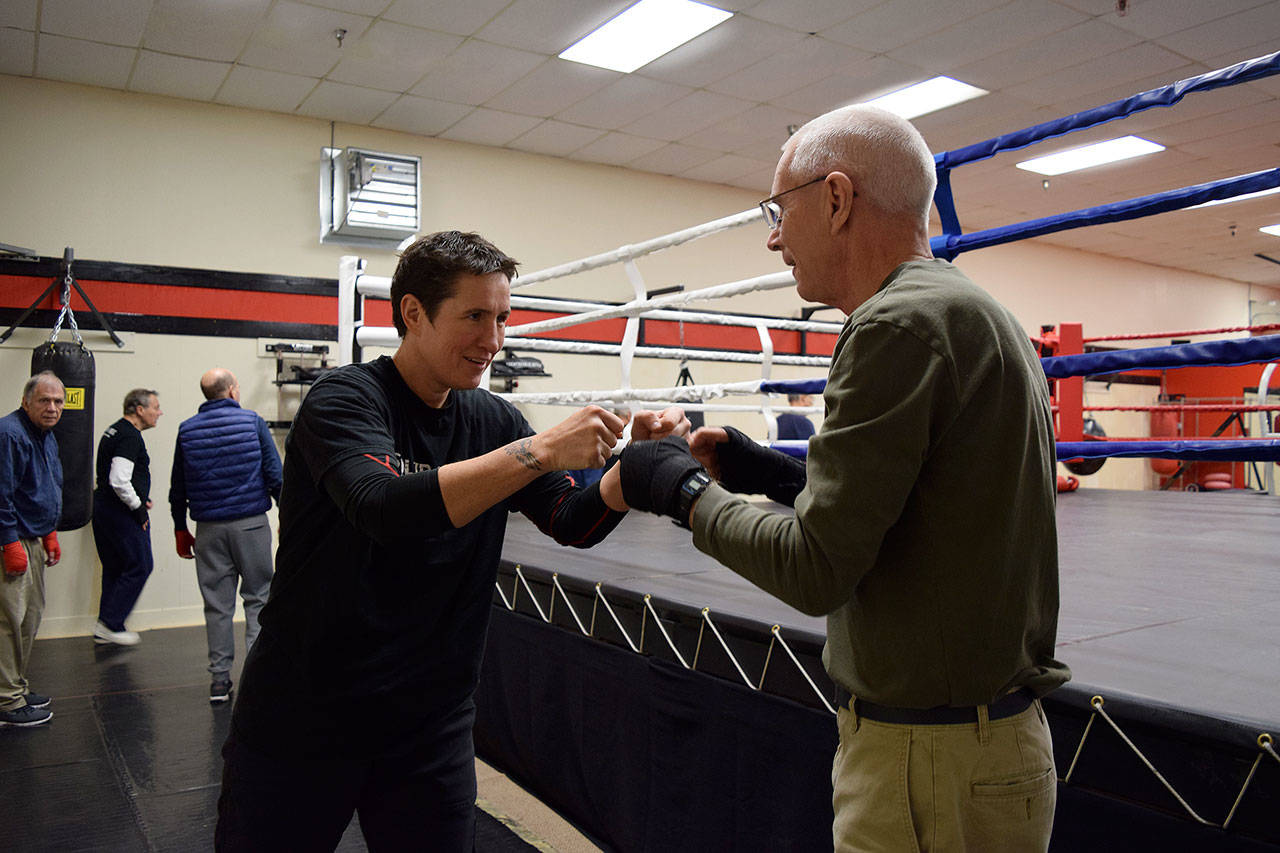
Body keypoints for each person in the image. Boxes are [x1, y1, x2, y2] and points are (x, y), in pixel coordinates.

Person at [618, 106, 1069, 852]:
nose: (772, 235)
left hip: (930, 767)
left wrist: (678, 490)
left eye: (778, 207)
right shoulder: (970, 310)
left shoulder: (893, 326)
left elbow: (816, 567)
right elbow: (915, 510)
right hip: (984, 747)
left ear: (835, 198)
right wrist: (768, 472)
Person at [215, 230, 686, 851]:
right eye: (474, 316)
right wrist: (540, 450)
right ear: (413, 313)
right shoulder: (346, 400)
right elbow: (382, 505)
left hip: (428, 724)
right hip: (307, 711)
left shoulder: (494, 421)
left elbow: (571, 518)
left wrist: (635, 468)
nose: (493, 341)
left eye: (501, 318)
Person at [169, 368, 282, 704]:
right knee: (259, 599)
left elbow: (179, 486)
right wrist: (287, 516)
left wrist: (179, 528)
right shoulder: (252, 422)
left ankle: (219, 682)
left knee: (217, 606)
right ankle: (257, 678)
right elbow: (274, 475)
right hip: (250, 525)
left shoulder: (187, 430)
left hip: (208, 531)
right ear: (232, 390)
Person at [0, 372, 64, 727]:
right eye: (44, 400)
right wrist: (9, 542)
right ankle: (7, 702)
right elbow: (1, 493)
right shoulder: (9, 434)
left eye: (57, 401)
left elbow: (45, 485)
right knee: (8, 622)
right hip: (12, 539)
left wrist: (50, 532)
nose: (52, 407)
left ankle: (16, 687)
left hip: (34, 538)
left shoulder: (45, 435)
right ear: (27, 402)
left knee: (28, 618)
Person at [91, 388, 163, 646]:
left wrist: (141, 497)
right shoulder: (130, 436)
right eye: (155, 407)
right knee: (141, 565)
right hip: (120, 513)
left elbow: (118, 479)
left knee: (116, 566)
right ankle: (111, 623)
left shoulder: (114, 430)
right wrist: (138, 508)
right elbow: (119, 480)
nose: (159, 412)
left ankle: (107, 625)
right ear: (139, 409)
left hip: (104, 508)